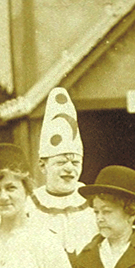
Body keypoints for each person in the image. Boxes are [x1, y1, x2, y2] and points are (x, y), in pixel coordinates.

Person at [28, 88, 99, 254]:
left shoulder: (95, 204)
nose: (69, 168)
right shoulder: (28, 206)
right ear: (42, 166)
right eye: (60, 162)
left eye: (75, 162)